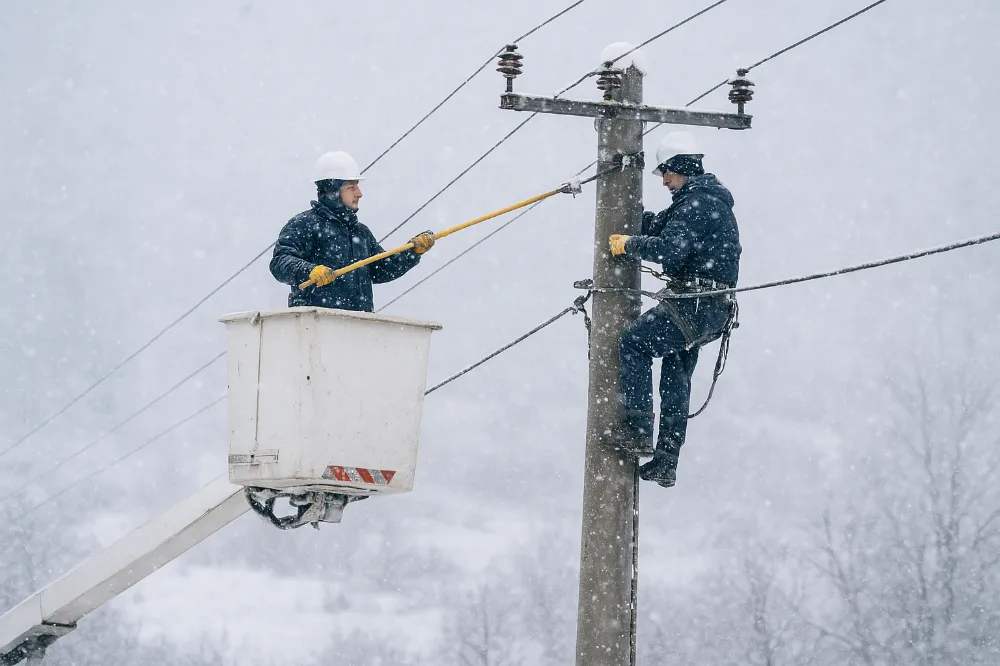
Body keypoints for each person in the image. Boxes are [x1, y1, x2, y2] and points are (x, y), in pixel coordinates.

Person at [608, 132, 741, 488]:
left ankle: (637, 428)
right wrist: (626, 210)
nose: (664, 179)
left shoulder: (699, 203)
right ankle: (666, 460)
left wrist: (629, 245)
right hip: (711, 310)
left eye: (667, 171)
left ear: (682, 168)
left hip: (693, 304)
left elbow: (671, 249)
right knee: (675, 376)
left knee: (634, 343)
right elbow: (662, 227)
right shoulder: (700, 201)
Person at [270, 151, 435, 312]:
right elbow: (280, 262)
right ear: (332, 191)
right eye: (351, 187)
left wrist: (412, 252)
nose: (359, 194)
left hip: (359, 328)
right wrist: (309, 271)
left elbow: (381, 269)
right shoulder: (304, 224)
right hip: (317, 327)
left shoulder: (360, 232)